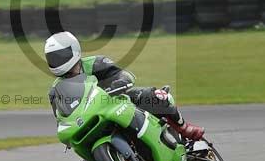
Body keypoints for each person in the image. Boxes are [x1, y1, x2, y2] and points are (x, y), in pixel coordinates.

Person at [44, 31, 205, 140]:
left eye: (60, 55)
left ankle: (184, 127)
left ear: (74, 50)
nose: (57, 60)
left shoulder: (96, 63)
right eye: (52, 57)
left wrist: (118, 84)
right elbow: (61, 118)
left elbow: (123, 75)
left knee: (155, 96)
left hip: (120, 101)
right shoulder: (55, 90)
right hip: (92, 119)